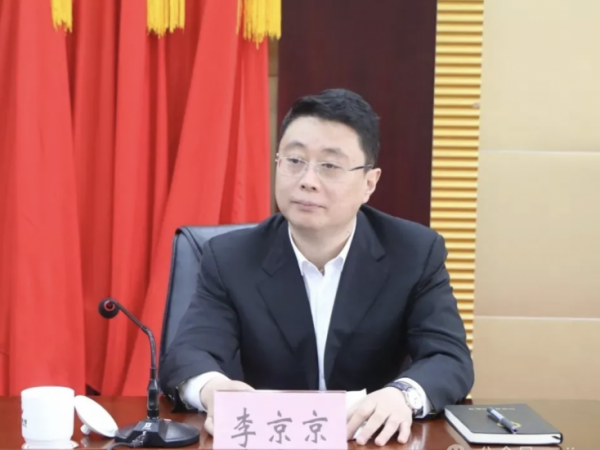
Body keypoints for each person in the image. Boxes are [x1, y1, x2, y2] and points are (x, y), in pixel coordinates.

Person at [159, 88, 474, 446]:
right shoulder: (231, 257)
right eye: (294, 160)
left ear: (369, 183)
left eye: (329, 166)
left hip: (371, 441)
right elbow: (187, 354)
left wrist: (402, 395)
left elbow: (449, 357)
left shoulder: (414, 253)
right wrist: (214, 390)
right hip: (270, 440)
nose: (307, 180)